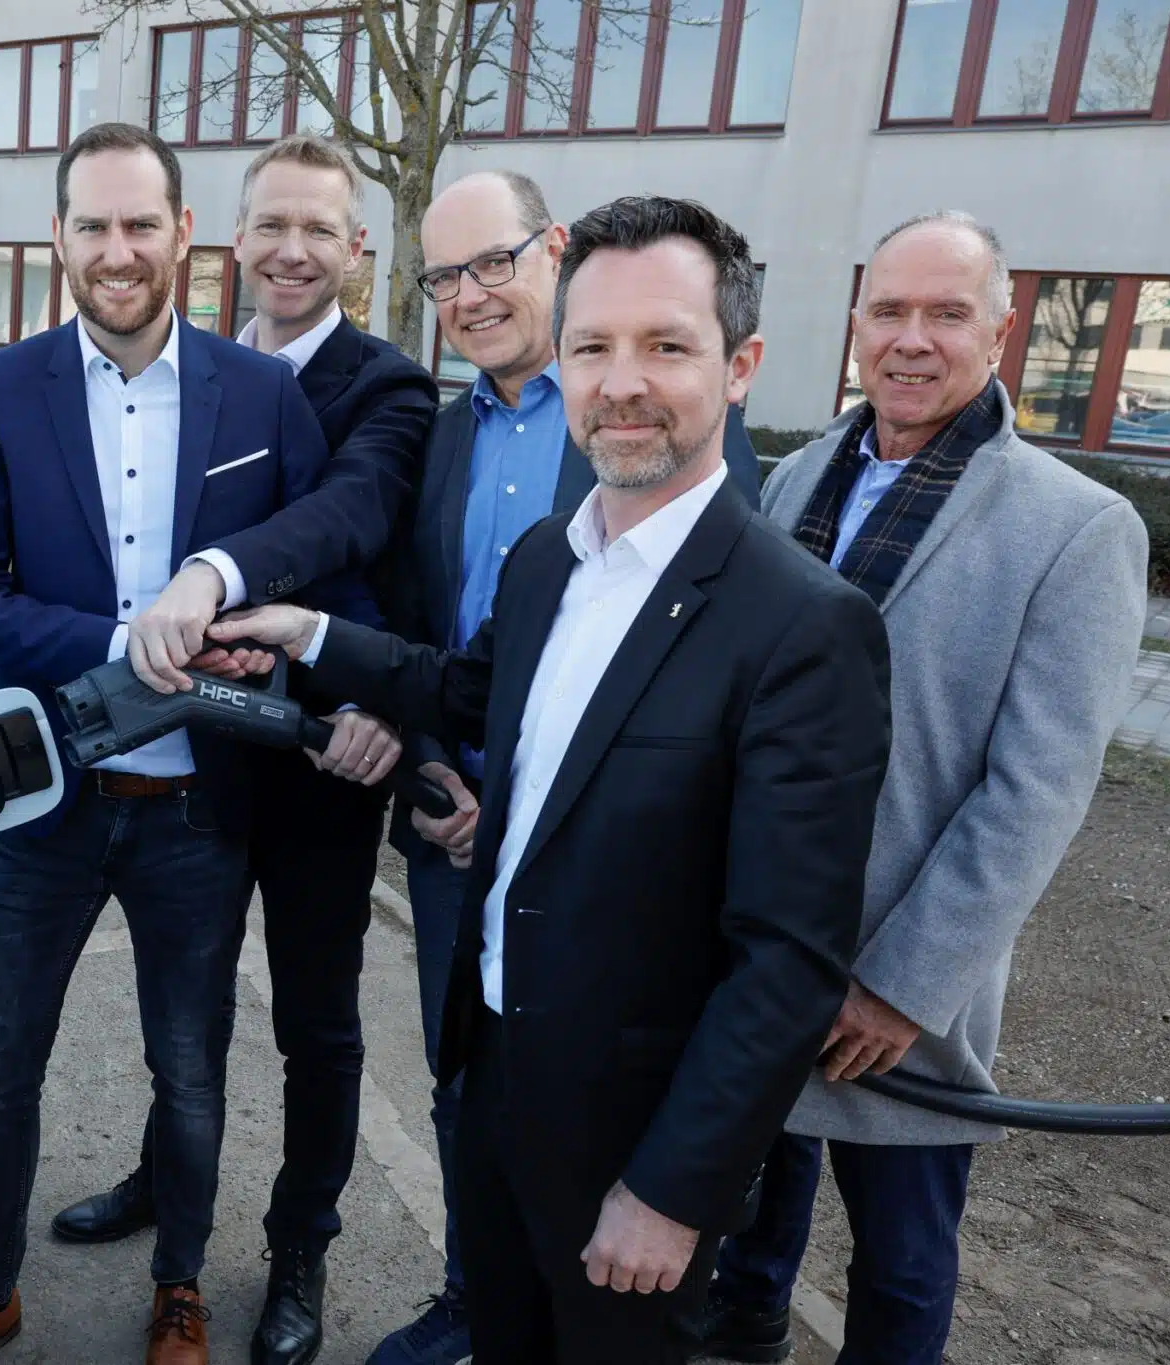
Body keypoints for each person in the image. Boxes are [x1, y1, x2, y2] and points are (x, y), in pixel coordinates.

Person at [200, 195, 895, 1364]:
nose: (620, 383)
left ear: (738, 369)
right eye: (591, 348)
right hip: (494, 1082)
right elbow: (460, 689)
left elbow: (786, 961)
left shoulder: (802, 625)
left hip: (630, 1142)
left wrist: (671, 1191)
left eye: (664, 346)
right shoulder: (545, 561)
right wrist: (302, 632)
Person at [700, 212, 1149, 1365]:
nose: (910, 338)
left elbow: (1036, 790)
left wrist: (902, 987)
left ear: (998, 332)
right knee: (749, 1207)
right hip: (758, 944)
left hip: (899, 985)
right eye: (888, 310)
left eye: (945, 314)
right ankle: (745, 1330)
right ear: (855, 325)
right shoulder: (795, 478)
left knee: (899, 1263)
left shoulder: (1076, 527)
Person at [0, 122, 335, 1365]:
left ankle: (180, 1289)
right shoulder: (2, 389)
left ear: (183, 235)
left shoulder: (260, 394)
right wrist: (130, 641)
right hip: (47, 797)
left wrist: (268, 652)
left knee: (190, 1072)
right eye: (93, 226)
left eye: (140, 224)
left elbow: (312, 560)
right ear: (58, 238)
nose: (117, 250)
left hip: (197, 813)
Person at [46, 133, 439, 1365]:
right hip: (203, 759)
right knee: (188, 1008)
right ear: (232, 238)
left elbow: (349, 517)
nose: (291, 250)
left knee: (316, 1027)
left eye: (318, 229)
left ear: (356, 250)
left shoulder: (389, 388)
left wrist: (228, 588)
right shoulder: (190, 367)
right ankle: (165, 1181)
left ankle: (299, 1251)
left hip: (325, 758)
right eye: (271, 224)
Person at [362, 170, 764, 1365]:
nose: (471, 294)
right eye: (443, 276)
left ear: (551, 248)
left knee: (592, 1134)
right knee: (469, 1098)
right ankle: (473, 1294)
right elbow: (432, 640)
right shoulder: (451, 444)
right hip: (454, 839)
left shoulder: (658, 438)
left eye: (493, 261)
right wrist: (427, 770)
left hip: (603, 873)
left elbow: (699, 667)